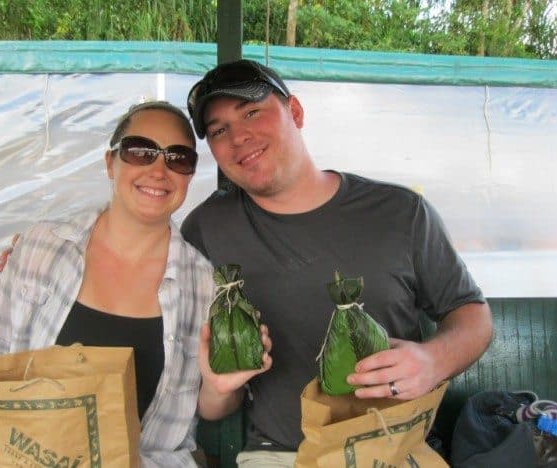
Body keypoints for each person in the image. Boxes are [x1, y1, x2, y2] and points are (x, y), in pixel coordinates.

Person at [180, 59, 493, 467]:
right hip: (280, 456)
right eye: (219, 130)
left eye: (252, 112)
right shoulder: (207, 229)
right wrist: (220, 385)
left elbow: (472, 315)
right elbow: (214, 405)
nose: (239, 137)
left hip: (395, 447)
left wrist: (434, 360)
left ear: (295, 112)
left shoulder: (400, 212)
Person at [0, 101, 265, 468]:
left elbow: (211, 407)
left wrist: (221, 384)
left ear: (190, 176)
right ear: (110, 162)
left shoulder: (203, 285)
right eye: (140, 152)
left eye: (178, 159)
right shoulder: (43, 248)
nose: (159, 170)